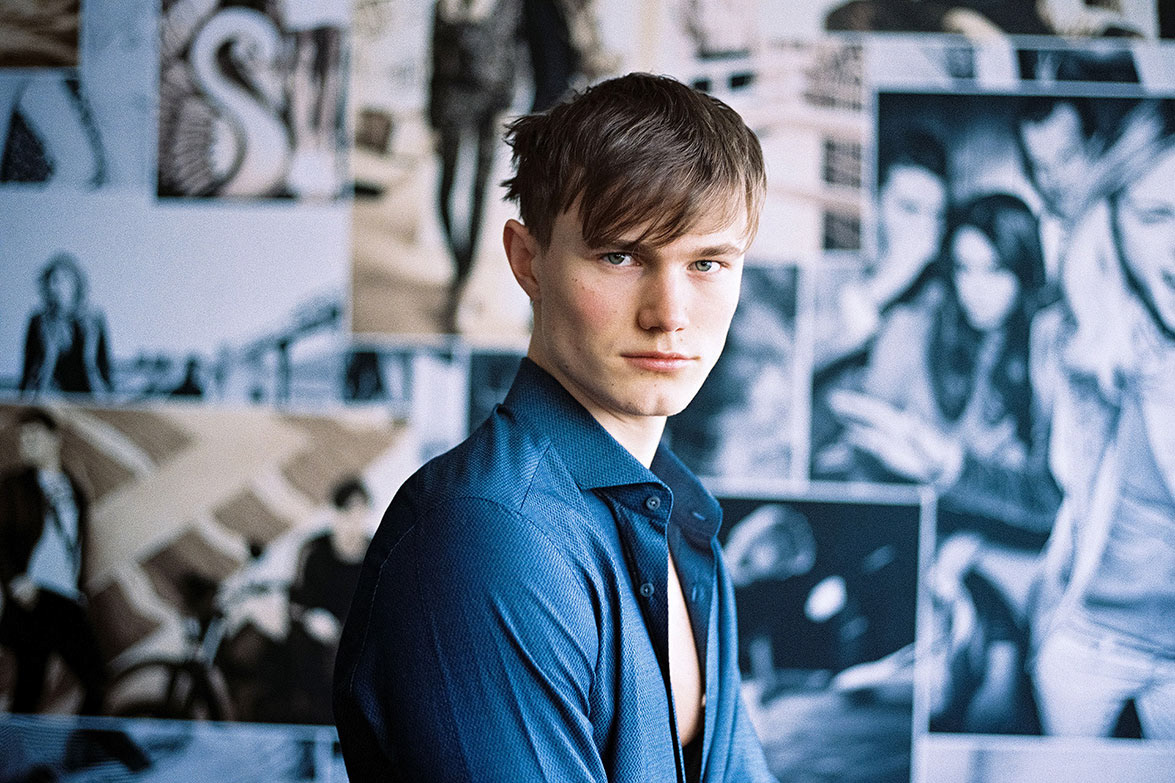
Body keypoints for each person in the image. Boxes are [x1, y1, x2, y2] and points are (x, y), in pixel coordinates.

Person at [334, 72, 776, 782]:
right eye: (620, 255)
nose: (669, 313)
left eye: (707, 262)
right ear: (527, 260)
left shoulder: (681, 518)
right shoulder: (486, 535)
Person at [1031, 98, 1175, 740]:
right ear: (1111, 218)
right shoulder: (1074, 347)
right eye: (1156, 215)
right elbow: (1048, 496)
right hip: (1086, 641)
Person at [0, 408, 108, 715]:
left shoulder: (74, 489)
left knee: (95, 680)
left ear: (55, 439)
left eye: (34, 435)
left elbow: (76, 544)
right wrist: (15, 581)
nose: (27, 443)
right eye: (23, 437)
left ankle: (83, 741)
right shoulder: (14, 486)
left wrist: (78, 588)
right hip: (34, 597)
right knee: (30, 689)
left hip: (65, 597)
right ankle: (21, 751)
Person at [281, 476, 373, 724]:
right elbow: (295, 604)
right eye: (348, 513)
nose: (354, 522)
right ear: (335, 514)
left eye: (360, 514)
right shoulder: (314, 552)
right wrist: (313, 620)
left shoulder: (376, 553)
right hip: (317, 645)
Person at [19, 252, 113, 396]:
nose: (54, 287)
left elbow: (104, 369)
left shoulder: (94, 320)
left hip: (89, 398)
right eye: (51, 281)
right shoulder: (38, 321)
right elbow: (27, 372)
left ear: (75, 283)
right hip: (50, 398)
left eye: (60, 280)